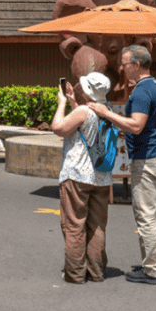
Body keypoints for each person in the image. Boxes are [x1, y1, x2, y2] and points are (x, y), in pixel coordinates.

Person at [89, 44, 156, 285]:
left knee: (146, 216)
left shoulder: (140, 93)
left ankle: (152, 271)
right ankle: (155, 263)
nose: (121, 68)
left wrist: (106, 114)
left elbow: (136, 125)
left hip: (148, 159)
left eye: (125, 64)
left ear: (137, 65)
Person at [50, 72, 112, 283]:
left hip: (77, 174)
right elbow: (85, 125)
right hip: (101, 177)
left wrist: (61, 104)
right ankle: (96, 271)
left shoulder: (85, 111)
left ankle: (76, 273)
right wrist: (74, 102)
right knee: (96, 226)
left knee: (74, 223)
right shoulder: (106, 110)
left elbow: (58, 128)